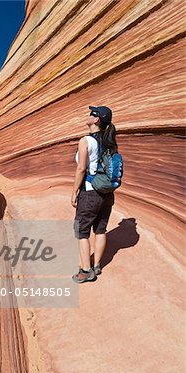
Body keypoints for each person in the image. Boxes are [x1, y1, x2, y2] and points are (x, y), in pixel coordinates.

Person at [71, 105, 118, 283]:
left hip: (90, 193)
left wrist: (74, 191)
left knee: (81, 232)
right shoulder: (110, 141)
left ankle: (85, 271)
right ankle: (96, 265)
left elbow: (81, 168)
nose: (88, 115)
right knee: (100, 229)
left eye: (92, 114)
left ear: (96, 120)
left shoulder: (86, 141)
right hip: (107, 194)